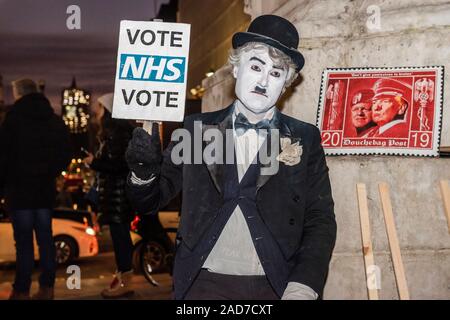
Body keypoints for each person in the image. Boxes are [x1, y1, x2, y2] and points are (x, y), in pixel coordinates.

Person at [126, 15, 336, 300]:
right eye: (255, 66)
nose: (263, 80)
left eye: (275, 73)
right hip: (201, 286)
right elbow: (149, 201)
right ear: (236, 69)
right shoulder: (195, 130)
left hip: (277, 286)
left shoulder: (305, 137)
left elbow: (320, 219)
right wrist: (144, 171)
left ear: (285, 83)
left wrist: (304, 285)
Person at [0, 78, 72, 300]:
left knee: (23, 243)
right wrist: (50, 172)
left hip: (19, 190)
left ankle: (21, 289)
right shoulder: (53, 120)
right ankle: (47, 288)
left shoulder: (12, 121)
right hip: (44, 191)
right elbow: (65, 153)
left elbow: (2, 158)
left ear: (18, 93)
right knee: (45, 240)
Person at [82, 93, 135, 299]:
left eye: (100, 108)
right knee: (121, 238)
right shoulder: (117, 132)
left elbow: (119, 165)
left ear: (109, 111)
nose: (97, 112)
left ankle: (125, 282)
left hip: (118, 197)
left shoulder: (117, 133)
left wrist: (94, 162)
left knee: (120, 239)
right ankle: (123, 277)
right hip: (118, 196)